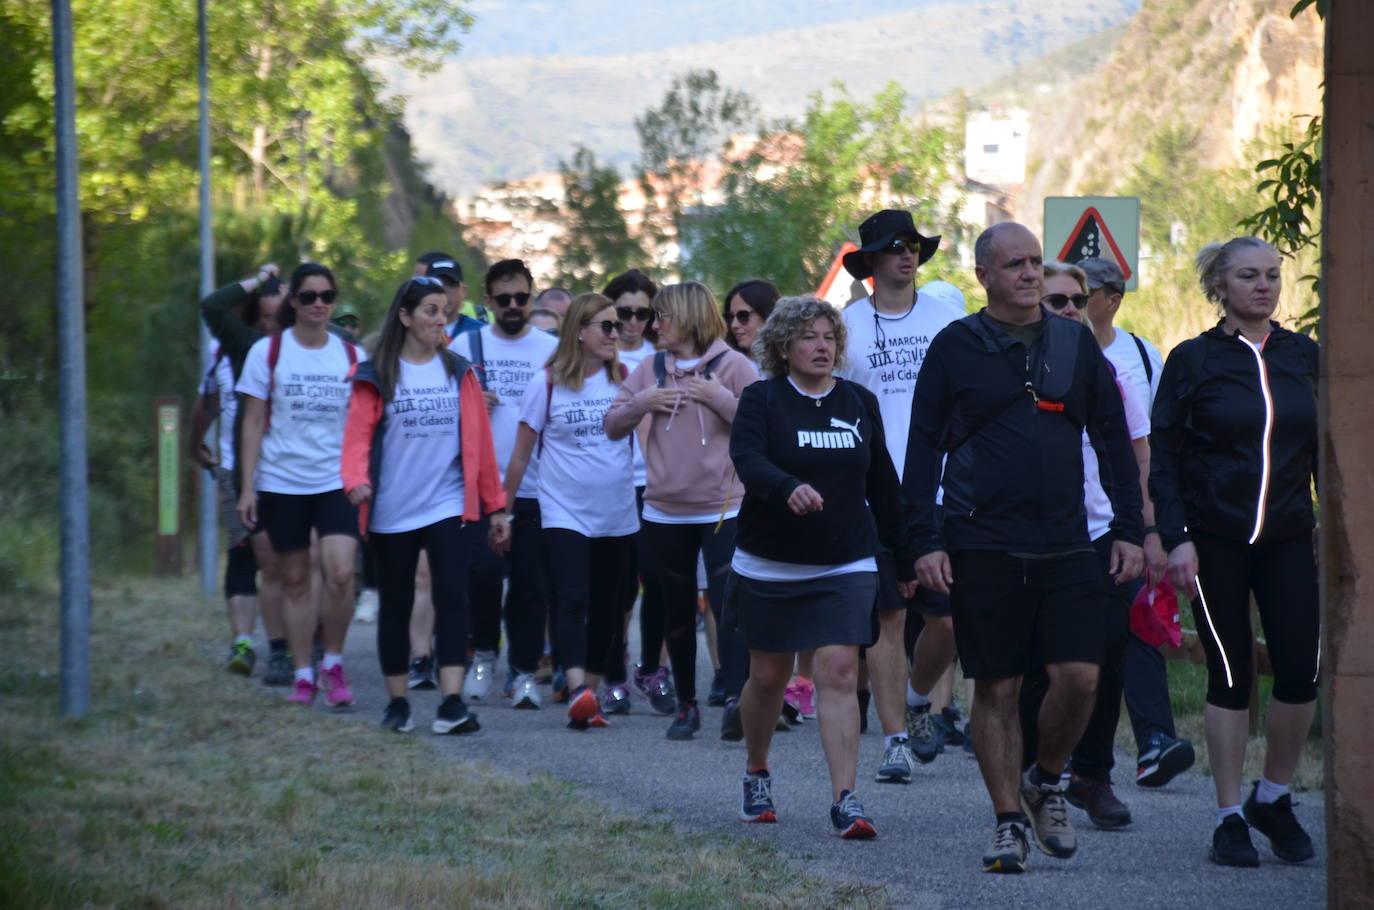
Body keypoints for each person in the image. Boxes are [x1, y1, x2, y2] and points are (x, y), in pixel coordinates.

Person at [903, 223, 1143, 873]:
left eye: (1036, 262)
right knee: (998, 687)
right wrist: (923, 541)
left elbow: (1113, 436)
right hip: (982, 540)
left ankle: (1045, 779)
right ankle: (1009, 819)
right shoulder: (955, 347)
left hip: (1066, 539)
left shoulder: (1073, 341)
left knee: (1080, 678)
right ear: (984, 276)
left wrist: (1129, 527)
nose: (1030, 274)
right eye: (1014, 265)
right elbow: (922, 446)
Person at [1150, 237, 1319, 868]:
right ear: (1219, 286)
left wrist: (1334, 530)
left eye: (1273, 276)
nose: (1264, 286)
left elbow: (1325, 450)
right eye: (1249, 276)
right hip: (1215, 540)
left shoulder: (1306, 357)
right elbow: (1164, 458)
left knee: (1302, 670)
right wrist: (1177, 537)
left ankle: (1271, 797)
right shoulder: (1193, 360)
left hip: (1288, 539)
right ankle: (1227, 817)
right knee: (1231, 675)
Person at [728, 295, 915, 840]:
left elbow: (883, 482)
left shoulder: (858, 401)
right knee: (768, 677)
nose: (822, 346)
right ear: (784, 346)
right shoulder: (762, 399)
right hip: (770, 563)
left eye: (829, 337)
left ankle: (846, 800)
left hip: (845, 559)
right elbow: (749, 459)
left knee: (836, 670)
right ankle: (756, 770)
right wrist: (786, 487)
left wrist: (903, 554)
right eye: (809, 337)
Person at [1018, 261, 1151, 831]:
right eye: (1056, 302)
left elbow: (1139, 456)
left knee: (1105, 658)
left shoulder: (1111, 373)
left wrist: (1141, 530)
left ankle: (1092, 776)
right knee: (1036, 668)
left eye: (1076, 300)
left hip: (1101, 535)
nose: (1070, 310)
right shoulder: (1011, 371)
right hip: (1029, 536)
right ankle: (1032, 776)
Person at [341, 276, 507, 733]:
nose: (440, 319)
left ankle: (451, 703)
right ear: (405, 317)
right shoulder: (378, 372)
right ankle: (398, 704)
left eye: (443, 310)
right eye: (430, 311)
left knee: (453, 598)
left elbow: (482, 446)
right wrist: (355, 480)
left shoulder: (458, 371)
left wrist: (496, 506)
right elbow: (356, 438)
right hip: (392, 506)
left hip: (448, 502)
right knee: (395, 603)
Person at [837, 209, 967, 782]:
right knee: (888, 616)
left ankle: (919, 699)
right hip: (874, 492)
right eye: (893, 247)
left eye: (912, 245)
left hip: (943, 486)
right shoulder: (847, 326)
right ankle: (894, 741)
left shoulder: (949, 320)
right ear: (871, 262)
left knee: (948, 617)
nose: (905, 255)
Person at [605, 282, 756, 740]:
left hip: (723, 509)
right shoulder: (650, 368)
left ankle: (735, 700)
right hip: (665, 510)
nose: (654, 326)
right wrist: (642, 403)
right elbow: (612, 425)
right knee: (675, 610)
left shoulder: (733, 366)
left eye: (662, 317)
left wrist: (719, 399)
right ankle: (686, 705)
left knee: (728, 607)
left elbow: (760, 426)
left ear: (687, 317)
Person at [1075, 257, 1196, 789]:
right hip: (1053, 528)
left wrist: (1153, 531)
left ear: (1111, 299)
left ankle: (1153, 742)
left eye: (1082, 296)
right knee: (1078, 649)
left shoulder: (1142, 359)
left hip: (1119, 523)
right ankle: (1064, 758)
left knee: (1139, 624)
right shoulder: (1037, 356)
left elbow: (1154, 451)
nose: (1071, 307)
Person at [493, 293, 638, 730]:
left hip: (617, 511)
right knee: (572, 597)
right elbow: (520, 455)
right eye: (606, 326)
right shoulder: (548, 382)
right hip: (563, 510)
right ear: (579, 331)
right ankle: (577, 686)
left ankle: (588, 690)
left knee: (613, 606)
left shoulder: (625, 379)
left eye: (617, 326)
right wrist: (504, 511)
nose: (617, 333)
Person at [236, 263, 366, 707]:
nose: (318, 305)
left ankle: (333, 661)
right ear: (293, 302)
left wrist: (364, 475)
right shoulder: (268, 353)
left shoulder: (352, 356)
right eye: (308, 296)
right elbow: (251, 422)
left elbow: (366, 424)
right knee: (293, 579)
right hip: (281, 480)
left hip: (336, 479)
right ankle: (304, 673)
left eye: (326, 296)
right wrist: (248, 486)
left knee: (341, 572)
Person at [450, 260, 559, 710]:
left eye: (522, 298)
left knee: (532, 585)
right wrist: (469, 403)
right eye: (504, 300)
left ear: (531, 298)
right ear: (488, 301)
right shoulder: (463, 345)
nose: (514, 307)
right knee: (483, 577)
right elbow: (437, 410)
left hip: (536, 487)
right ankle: (484, 654)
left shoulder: (552, 349)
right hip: (479, 486)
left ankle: (524, 670)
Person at [200, 266, 294, 685]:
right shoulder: (238, 347)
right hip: (237, 468)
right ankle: (245, 643)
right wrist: (259, 279)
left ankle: (296, 646)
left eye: (282, 317)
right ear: (256, 317)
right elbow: (208, 402)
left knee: (288, 560)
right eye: (269, 317)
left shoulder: (302, 351)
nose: (275, 325)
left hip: (289, 470)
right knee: (245, 555)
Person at [602, 269, 673, 714]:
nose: (631, 322)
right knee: (619, 587)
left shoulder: (664, 358)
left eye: (641, 313)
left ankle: (653, 668)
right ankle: (613, 669)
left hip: (659, 482)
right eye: (622, 313)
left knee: (660, 583)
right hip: (612, 483)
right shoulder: (598, 358)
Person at [721, 278, 779, 371]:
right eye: (730, 317)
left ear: (767, 315)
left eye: (743, 316)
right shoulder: (724, 368)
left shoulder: (792, 366)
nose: (734, 325)